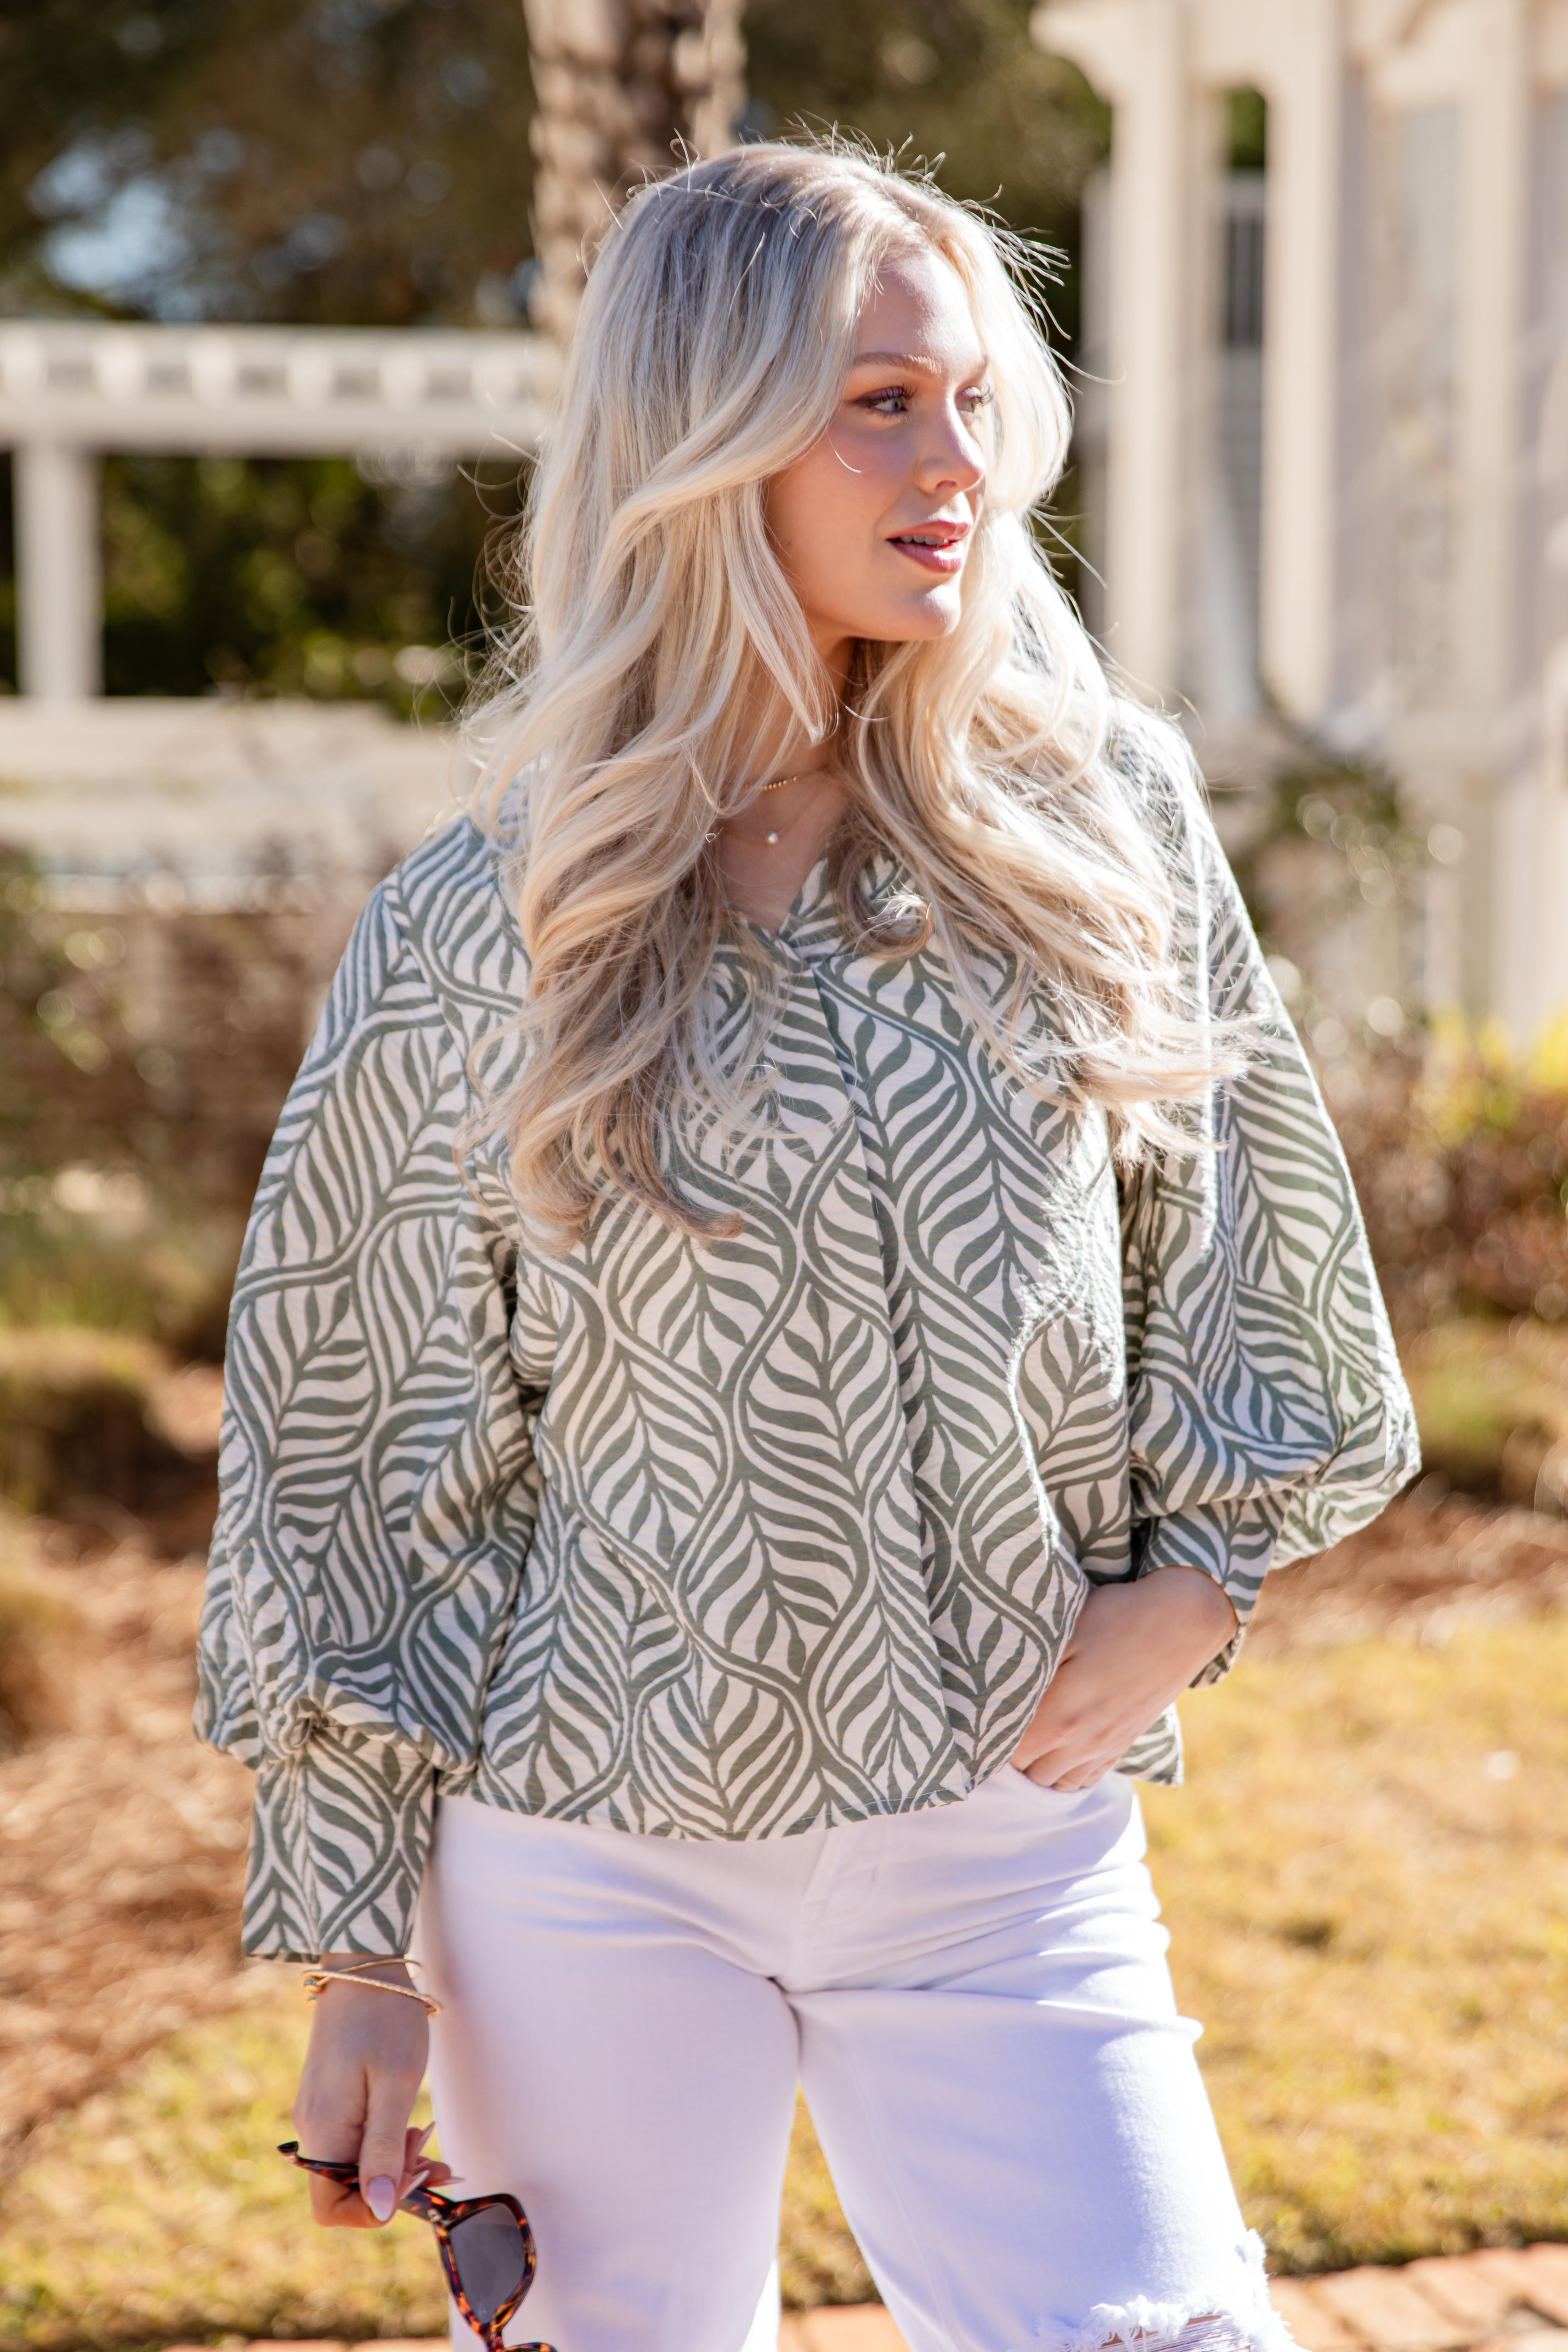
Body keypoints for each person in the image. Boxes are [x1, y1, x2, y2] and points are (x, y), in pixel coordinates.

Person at [197, 140, 1417, 2352]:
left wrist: (1203, 1578)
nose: (955, 463)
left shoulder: (1095, 824)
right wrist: (360, 1951)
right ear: (704, 432)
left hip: (1000, 1839)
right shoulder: (494, 922)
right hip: (585, 1863)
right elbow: (358, 1457)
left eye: (971, 404)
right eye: (878, 402)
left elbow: (1254, 1253)